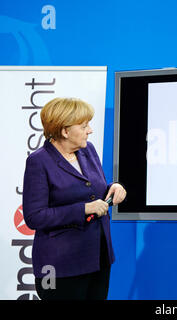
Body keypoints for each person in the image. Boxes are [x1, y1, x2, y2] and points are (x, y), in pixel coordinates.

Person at [23, 97, 127, 300]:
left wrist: (113, 187)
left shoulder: (87, 150)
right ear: (64, 131)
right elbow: (35, 216)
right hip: (59, 266)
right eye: (84, 125)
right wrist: (84, 209)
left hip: (98, 258)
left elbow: (92, 190)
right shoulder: (39, 162)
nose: (90, 130)